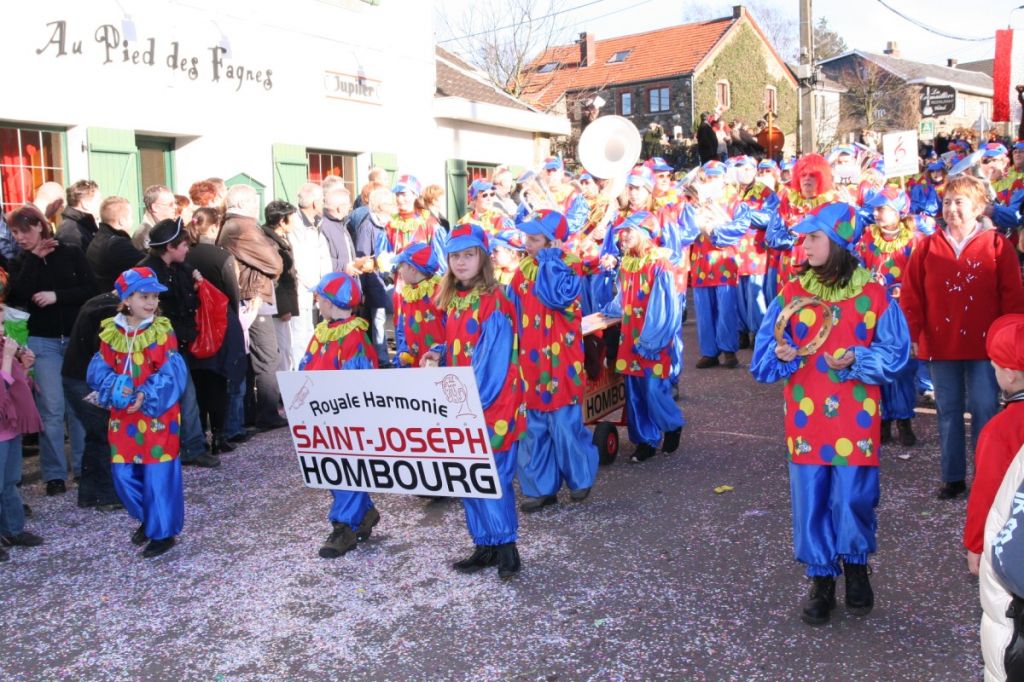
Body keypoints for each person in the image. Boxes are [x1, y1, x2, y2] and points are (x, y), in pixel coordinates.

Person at [750, 202, 911, 626]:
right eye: (803, 238)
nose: (803, 245)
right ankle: (821, 578)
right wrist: (782, 356)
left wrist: (857, 359)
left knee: (852, 498)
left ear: (838, 243)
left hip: (855, 417)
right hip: (806, 420)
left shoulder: (874, 295)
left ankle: (856, 566)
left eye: (813, 237)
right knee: (811, 499)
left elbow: (896, 356)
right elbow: (764, 360)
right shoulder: (791, 294)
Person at [901, 175, 1024, 499]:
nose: (952, 208)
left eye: (959, 202)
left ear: (978, 207)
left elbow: (1012, 297)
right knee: (949, 411)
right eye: (947, 202)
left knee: (985, 409)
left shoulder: (998, 246)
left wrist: (1011, 342)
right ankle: (953, 477)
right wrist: (913, 333)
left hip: (987, 348)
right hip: (942, 345)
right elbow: (912, 295)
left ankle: (988, 476)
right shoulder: (926, 247)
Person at [421, 223, 526, 579]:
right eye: (455, 256)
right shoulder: (454, 299)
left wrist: (468, 404)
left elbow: (494, 363)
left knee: (492, 475)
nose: (461, 262)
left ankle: (506, 547)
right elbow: (457, 346)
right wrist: (438, 353)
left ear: (483, 257)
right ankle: (485, 544)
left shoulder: (495, 300)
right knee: (468, 474)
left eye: (469, 254)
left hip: (489, 403)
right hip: (461, 403)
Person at [86, 267, 188, 559]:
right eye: (144, 296)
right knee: (123, 473)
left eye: (154, 296)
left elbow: (172, 371)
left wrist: (145, 395)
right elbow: (100, 369)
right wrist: (113, 388)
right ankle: (151, 518)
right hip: (124, 416)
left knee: (158, 475)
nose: (151, 302)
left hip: (158, 416)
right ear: (126, 299)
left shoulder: (162, 330)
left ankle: (163, 532)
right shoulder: (110, 331)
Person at [509, 210, 598, 510]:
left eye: (534, 239)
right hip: (530, 361)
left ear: (553, 241)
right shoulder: (522, 270)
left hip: (562, 360)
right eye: (527, 238)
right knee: (533, 427)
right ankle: (540, 487)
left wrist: (550, 261)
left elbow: (556, 297)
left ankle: (580, 478)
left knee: (564, 424)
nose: (527, 244)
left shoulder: (569, 266)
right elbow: (512, 309)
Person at [6, 204, 93, 495]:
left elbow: (90, 290)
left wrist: (58, 296)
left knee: (78, 407)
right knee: (52, 409)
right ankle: (55, 474)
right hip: (42, 341)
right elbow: (17, 295)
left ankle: (83, 468)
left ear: (40, 226)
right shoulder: (19, 260)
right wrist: (32, 259)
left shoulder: (70, 251)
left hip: (73, 338)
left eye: (23, 231)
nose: (19, 237)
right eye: (14, 232)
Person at [298, 272, 381, 558]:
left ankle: (344, 527)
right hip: (322, 418)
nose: (316, 300)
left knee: (346, 470)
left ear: (332, 302)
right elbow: (306, 367)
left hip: (344, 422)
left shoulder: (354, 337)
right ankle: (365, 512)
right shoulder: (322, 332)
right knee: (334, 470)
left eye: (320, 295)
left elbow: (357, 387)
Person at [601, 211, 684, 462]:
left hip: (652, 341)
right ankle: (645, 441)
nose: (623, 235)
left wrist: (650, 341)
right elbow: (622, 299)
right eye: (622, 231)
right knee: (634, 392)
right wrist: (606, 312)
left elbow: (665, 309)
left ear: (646, 235)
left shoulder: (659, 265)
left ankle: (671, 424)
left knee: (653, 390)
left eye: (629, 231)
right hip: (630, 339)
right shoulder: (627, 264)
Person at [854, 187, 933, 447]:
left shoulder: (916, 240)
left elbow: (925, 277)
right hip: (874, 311)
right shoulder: (867, 237)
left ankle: (904, 421)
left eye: (883, 208)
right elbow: (857, 268)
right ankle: (883, 421)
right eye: (875, 208)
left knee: (903, 366)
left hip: (904, 312)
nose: (876, 213)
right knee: (878, 362)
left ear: (899, 211)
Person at [140, 218, 219, 468]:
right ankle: (175, 446)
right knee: (170, 396)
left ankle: (191, 446)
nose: (187, 249)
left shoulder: (182, 268)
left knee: (186, 395)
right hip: (155, 344)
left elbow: (189, 303)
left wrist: (196, 286)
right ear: (169, 247)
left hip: (179, 342)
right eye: (183, 245)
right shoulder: (146, 272)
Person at [217, 185, 286, 432]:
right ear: (245, 204)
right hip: (253, 296)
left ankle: (250, 415)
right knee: (267, 356)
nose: (258, 208)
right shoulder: (242, 227)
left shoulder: (232, 225)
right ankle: (268, 413)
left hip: (248, 295)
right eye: (255, 202)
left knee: (253, 358)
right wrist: (276, 252)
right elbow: (274, 262)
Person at [964, 314, 1024, 577]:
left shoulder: (1002, 428)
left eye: (996, 368)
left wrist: (976, 544)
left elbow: (988, 487)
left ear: (1010, 376)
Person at [185, 208, 244, 455]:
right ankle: (220, 434)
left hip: (192, 324)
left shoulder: (183, 255)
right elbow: (233, 294)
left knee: (198, 382)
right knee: (219, 381)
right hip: (219, 323)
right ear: (214, 227)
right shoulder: (221, 257)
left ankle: (199, 437)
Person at [62, 290, 123, 510]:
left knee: (96, 436)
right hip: (84, 380)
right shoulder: (109, 314)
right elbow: (108, 355)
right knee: (105, 436)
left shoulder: (100, 303)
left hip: (76, 377)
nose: (151, 303)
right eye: (145, 297)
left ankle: (88, 494)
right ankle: (107, 496)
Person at [0, 287, 44, 560]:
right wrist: (7, 359)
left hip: (9, 428)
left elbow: (16, 388)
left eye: (2, 323)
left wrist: (23, 367)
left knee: (11, 482)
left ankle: (13, 530)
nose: (3, 330)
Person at [353, 187, 396, 366]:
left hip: (381, 280)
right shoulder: (368, 226)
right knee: (377, 322)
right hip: (373, 282)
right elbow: (362, 257)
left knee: (381, 321)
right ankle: (381, 359)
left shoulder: (383, 224)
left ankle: (381, 357)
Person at [262, 201, 301, 372]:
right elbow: (275, 279)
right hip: (278, 306)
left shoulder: (280, 239)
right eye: (291, 218)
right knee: (282, 348)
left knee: (287, 346)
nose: (294, 222)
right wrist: (284, 308)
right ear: (281, 220)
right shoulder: (271, 242)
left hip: (286, 301)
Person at [391, 242, 444, 369]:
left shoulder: (439, 292)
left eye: (401, 265)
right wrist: (403, 350)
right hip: (413, 364)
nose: (399, 270)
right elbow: (401, 328)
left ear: (413, 269)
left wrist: (441, 351)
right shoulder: (408, 294)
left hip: (437, 364)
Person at [87, 196, 146, 294]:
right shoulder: (117, 244)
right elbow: (146, 264)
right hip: (115, 301)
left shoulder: (97, 239)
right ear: (122, 221)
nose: (132, 221)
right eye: (131, 217)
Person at [56, 179, 101, 251]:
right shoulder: (70, 234)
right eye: (98, 201)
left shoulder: (84, 227)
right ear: (85, 204)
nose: (101, 204)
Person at [132, 185, 176, 251]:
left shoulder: (158, 228)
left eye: (175, 203)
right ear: (155, 207)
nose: (175, 207)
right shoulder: (145, 236)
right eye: (171, 204)